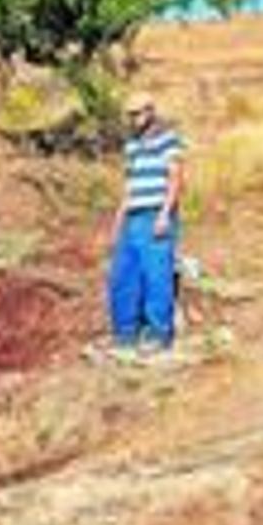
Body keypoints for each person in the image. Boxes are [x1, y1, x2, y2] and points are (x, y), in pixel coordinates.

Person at [103, 91, 185, 362]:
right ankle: (124, 333)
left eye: (137, 113)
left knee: (156, 275)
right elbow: (129, 187)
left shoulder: (167, 139)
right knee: (122, 275)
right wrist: (117, 224)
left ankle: (159, 334)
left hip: (155, 215)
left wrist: (165, 214)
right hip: (133, 217)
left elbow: (175, 178)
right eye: (130, 114)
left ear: (151, 111)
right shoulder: (132, 145)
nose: (133, 119)